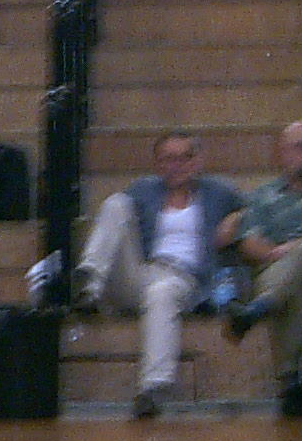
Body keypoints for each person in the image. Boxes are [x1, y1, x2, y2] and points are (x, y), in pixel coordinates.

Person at [72, 131, 245, 419]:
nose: (177, 165)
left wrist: (234, 219)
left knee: (162, 291)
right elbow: (113, 223)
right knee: (116, 203)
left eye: (184, 157)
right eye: (168, 159)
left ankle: (153, 388)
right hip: (140, 273)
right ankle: (89, 283)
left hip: (185, 279)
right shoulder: (144, 190)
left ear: (198, 160)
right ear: (157, 164)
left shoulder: (218, 193)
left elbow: (255, 208)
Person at [226, 119, 302, 415]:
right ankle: (290, 383)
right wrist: (280, 255)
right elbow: (249, 242)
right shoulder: (262, 196)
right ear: (282, 153)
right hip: (282, 273)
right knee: (294, 288)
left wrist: (295, 248)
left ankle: (257, 309)